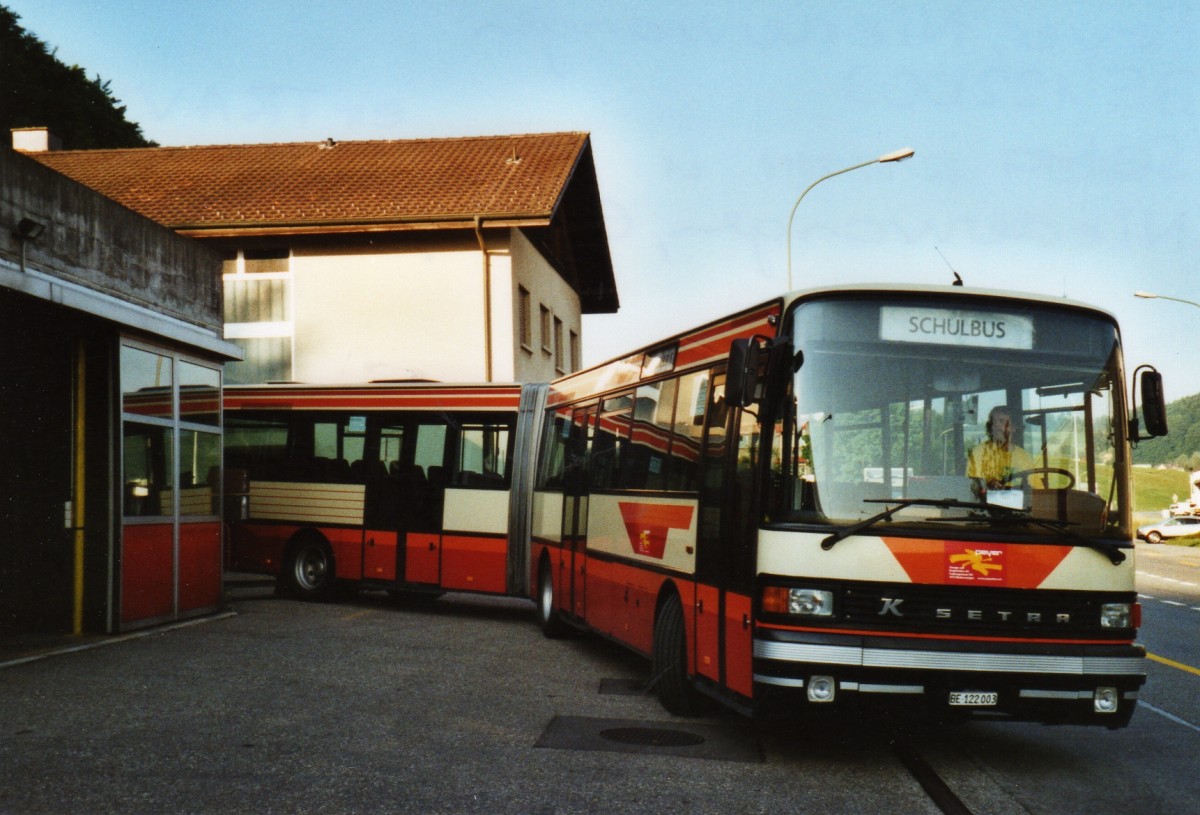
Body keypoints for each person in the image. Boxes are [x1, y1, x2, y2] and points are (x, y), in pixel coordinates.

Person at [968, 406, 1035, 497]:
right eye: (994, 421)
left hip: (1019, 505)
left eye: (1002, 421)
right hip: (988, 505)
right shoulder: (978, 453)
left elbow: (1035, 487)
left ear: (1013, 427)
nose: (996, 425)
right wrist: (988, 485)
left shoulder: (1024, 456)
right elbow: (973, 487)